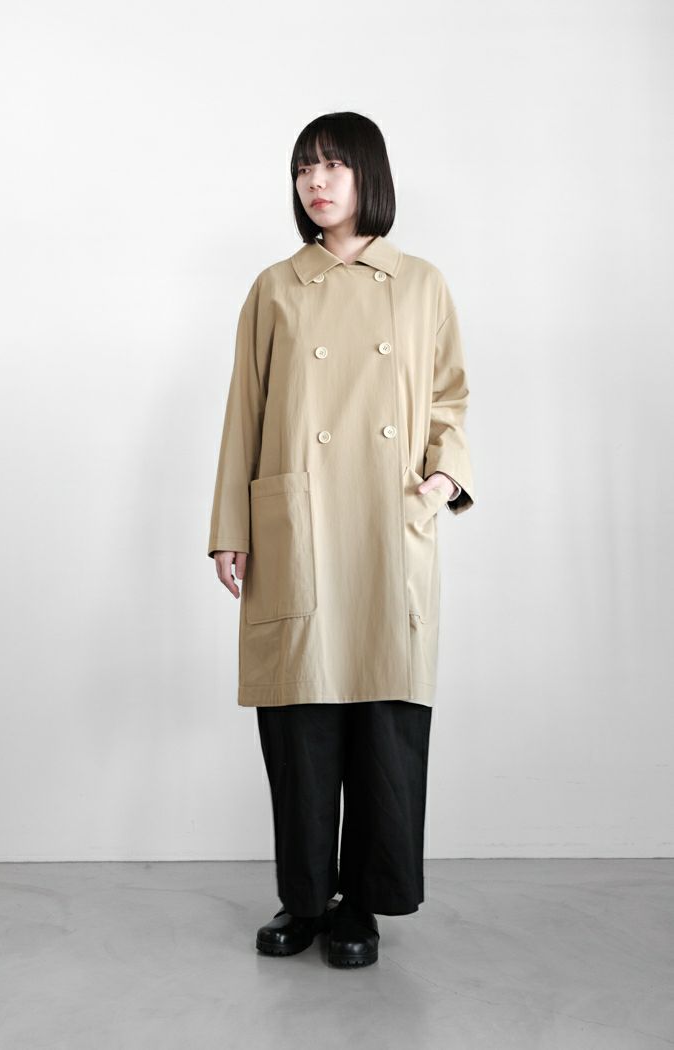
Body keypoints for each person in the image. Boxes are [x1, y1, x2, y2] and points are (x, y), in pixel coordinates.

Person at [207, 111, 475, 968]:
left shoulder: (422, 283)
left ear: (368, 175)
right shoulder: (276, 287)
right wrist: (231, 528)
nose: (315, 182)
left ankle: (362, 902)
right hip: (302, 523)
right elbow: (244, 415)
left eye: (332, 165)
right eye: (303, 169)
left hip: (389, 523)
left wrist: (443, 476)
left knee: (382, 723)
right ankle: (304, 898)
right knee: (300, 721)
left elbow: (451, 398)